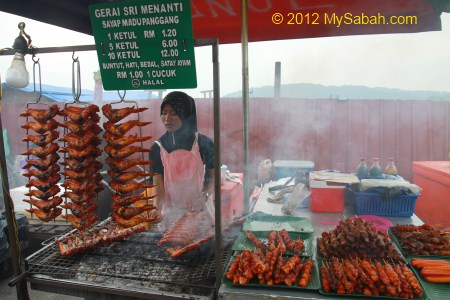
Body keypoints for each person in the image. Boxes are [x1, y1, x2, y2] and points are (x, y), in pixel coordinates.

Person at [149, 91, 215, 223]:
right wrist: (157, 208)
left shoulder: (203, 143)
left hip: (201, 210)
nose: (167, 118)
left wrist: (205, 195)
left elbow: (215, 177)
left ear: (186, 115)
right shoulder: (157, 148)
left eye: (174, 113)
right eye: (164, 112)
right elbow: (158, 184)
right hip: (170, 213)